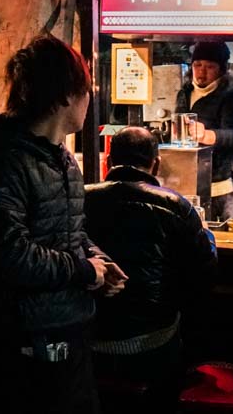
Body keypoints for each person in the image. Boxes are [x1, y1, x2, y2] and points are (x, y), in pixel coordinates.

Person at [0, 35, 127, 414]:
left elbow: (69, 232)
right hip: (23, 343)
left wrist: (99, 261)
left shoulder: (61, 157)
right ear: (66, 95)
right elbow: (5, 254)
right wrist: (85, 271)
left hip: (69, 331)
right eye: (86, 90)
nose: (89, 100)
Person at [85, 127, 217, 410]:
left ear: (108, 160)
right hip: (152, 345)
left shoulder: (81, 200)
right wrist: (207, 235)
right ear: (155, 164)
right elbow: (204, 273)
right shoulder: (176, 206)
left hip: (88, 342)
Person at [174, 42, 233, 221]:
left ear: (222, 69)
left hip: (218, 188)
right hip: (184, 184)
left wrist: (207, 135)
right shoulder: (184, 93)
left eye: (210, 67)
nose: (201, 72)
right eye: (197, 65)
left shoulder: (232, 97)